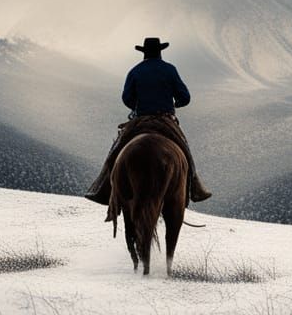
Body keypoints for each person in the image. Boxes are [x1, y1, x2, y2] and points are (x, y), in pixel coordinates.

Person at [85, 37, 211, 206]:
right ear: (160, 51)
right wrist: (175, 104)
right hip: (165, 119)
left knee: (116, 149)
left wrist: (137, 106)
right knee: (184, 147)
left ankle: (103, 187)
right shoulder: (170, 70)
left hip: (141, 119)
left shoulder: (135, 71)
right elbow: (185, 97)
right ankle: (195, 185)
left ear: (144, 53)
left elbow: (126, 98)